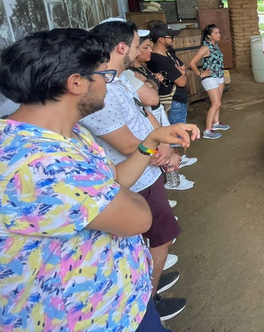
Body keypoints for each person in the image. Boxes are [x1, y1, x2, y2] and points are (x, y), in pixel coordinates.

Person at [0, 28, 198, 331]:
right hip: (90, 318)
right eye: (101, 74)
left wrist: (151, 141)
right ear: (76, 83)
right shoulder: (42, 163)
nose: (108, 82)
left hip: (120, 298)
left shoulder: (69, 133)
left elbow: (116, 178)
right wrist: (118, 190)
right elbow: (139, 218)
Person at [78, 19, 191, 321]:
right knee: (158, 236)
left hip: (147, 171)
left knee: (154, 238)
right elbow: (129, 146)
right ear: (121, 47)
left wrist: (163, 144)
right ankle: (146, 303)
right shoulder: (100, 91)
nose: (144, 49)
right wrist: (161, 152)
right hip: (135, 179)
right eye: (137, 43)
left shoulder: (119, 80)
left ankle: (147, 285)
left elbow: (147, 113)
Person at [128, 34, 196, 191]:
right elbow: (151, 98)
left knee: (167, 142)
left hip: (155, 113)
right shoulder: (129, 73)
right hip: (152, 111)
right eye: (145, 47)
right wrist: (153, 81)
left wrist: (150, 82)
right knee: (160, 150)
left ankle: (173, 175)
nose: (150, 51)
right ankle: (171, 180)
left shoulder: (142, 68)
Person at [189, 24, 230, 140]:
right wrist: (200, 74)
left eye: (219, 32)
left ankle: (216, 123)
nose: (219, 35)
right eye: (216, 33)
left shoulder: (215, 46)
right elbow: (192, 63)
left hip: (219, 77)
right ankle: (207, 130)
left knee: (218, 102)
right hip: (210, 78)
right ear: (208, 36)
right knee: (216, 103)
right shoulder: (205, 48)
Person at [147, 23, 190, 127]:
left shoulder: (169, 53)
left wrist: (183, 72)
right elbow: (182, 82)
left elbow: (185, 69)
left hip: (179, 100)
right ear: (161, 39)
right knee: (176, 135)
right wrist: (183, 73)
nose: (173, 39)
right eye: (171, 37)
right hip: (173, 102)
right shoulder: (158, 60)